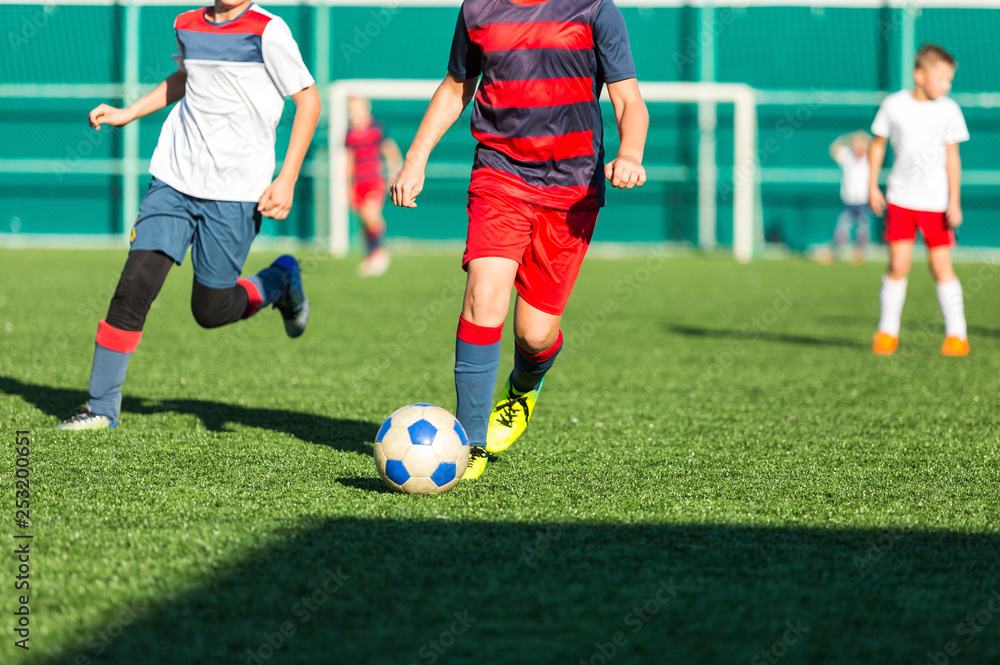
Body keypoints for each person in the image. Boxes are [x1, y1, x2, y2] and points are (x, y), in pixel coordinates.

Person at [390, 0, 648, 479]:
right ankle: (470, 445)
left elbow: (628, 99)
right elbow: (455, 88)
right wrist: (415, 158)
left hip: (571, 190)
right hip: (499, 176)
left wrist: (629, 153)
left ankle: (526, 384)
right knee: (483, 297)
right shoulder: (477, 9)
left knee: (534, 334)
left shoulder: (594, 9)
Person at [56, 0, 321, 430]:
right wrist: (127, 113)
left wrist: (286, 178)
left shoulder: (269, 31)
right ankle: (100, 407)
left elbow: (309, 103)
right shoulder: (187, 23)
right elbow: (184, 79)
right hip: (174, 178)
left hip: (237, 192)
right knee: (135, 282)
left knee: (211, 310)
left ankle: (280, 279)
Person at [869, 43, 970, 357]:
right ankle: (887, 332)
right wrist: (871, 185)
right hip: (900, 199)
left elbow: (953, 158)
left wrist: (955, 200)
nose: (947, 85)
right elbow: (878, 145)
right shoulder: (894, 105)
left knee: (941, 266)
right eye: (941, 78)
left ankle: (957, 335)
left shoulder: (949, 110)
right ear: (919, 74)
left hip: (937, 203)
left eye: (950, 79)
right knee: (898, 264)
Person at [346, 96, 403, 277]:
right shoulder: (349, 133)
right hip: (357, 182)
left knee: (371, 215)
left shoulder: (377, 128)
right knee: (364, 219)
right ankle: (371, 255)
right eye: (351, 109)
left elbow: (391, 151)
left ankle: (380, 253)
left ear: (366, 108)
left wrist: (395, 174)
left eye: (357, 108)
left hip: (374, 179)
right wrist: (347, 186)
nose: (354, 113)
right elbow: (348, 161)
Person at [818, 131, 871, 264]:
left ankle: (859, 254)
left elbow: (876, 147)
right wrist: (849, 138)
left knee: (862, 229)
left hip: (863, 201)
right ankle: (834, 251)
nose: (857, 146)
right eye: (855, 143)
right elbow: (834, 148)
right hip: (848, 201)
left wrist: (865, 142)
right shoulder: (847, 156)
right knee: (842, 227)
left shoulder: (869, 158)